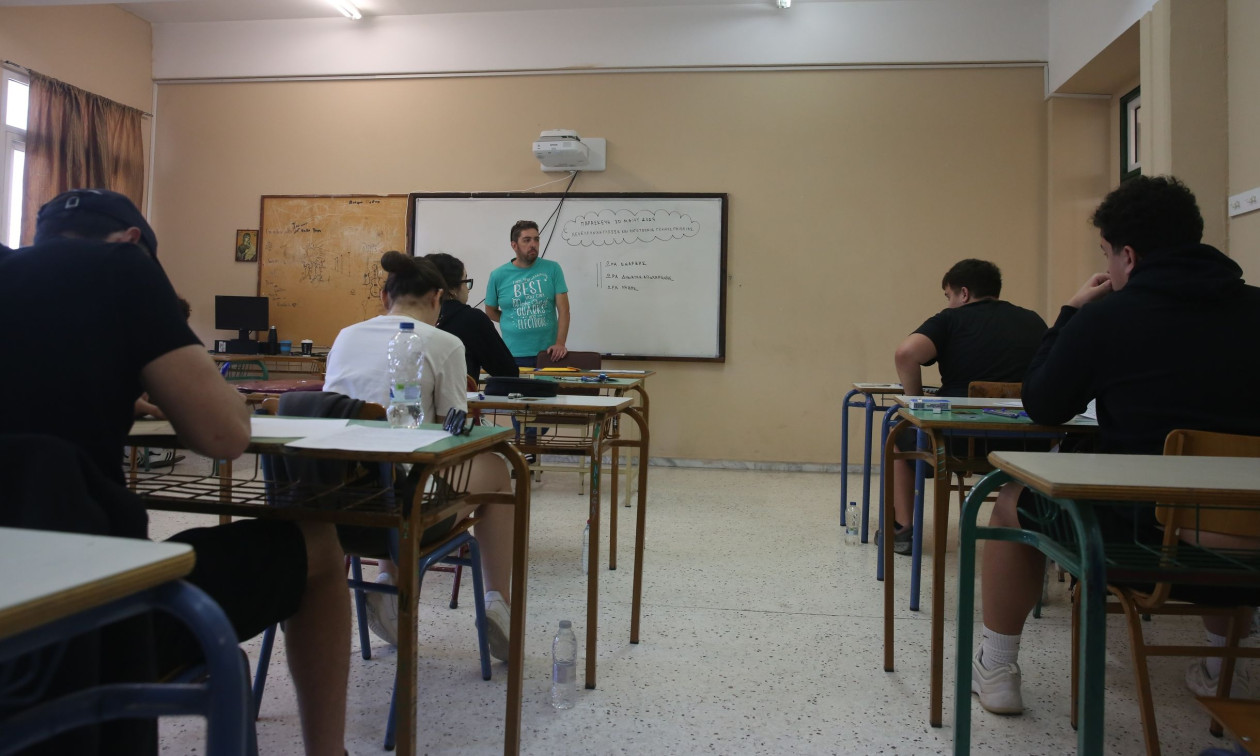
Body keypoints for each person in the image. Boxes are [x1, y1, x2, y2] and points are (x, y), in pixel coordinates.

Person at [0, 189, 349, 755]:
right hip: (82, 622)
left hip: (11, 605)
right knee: (319, 543)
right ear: (133, 240)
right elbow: (224, 437)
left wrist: (122, 394)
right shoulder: (123, 267)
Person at [971, 175, 1260, 715]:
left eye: (1106, 254)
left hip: (1145, 546)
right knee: (1218, 499)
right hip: (1253, 546)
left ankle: (998, 667)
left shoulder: (1106, 318)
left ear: (1127, 255)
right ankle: (1225, 666)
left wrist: (1071, 312)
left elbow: (1044, 403)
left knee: (1009, 500)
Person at [324, 251, 516, 661]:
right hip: (408, 513)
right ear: (437, 298)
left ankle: (387, 585)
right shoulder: (443, 343)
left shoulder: (345, 337)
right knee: (499, 470)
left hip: (334, 511)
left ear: (384, 297)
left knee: (387, 464)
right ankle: (498, 601)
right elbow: (451, 434)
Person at [885, 259, 1047, 554]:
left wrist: (916, 406)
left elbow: (905, 353)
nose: (948, 303)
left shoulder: (951, 320)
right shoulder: (1033, 321)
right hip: (1027, 443)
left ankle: (902, 529)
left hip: (959, 440)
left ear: (963, 293)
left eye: (948, 296)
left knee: (897, 436)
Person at [485, 220, 570, 367]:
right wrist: (513, 320)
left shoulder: (553, 269)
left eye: (536, 239)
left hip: (548, 353)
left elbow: (564, 311)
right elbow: (490, 311)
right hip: (512, 354)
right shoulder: (498, 275)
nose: (533, 244)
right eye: (527, 240)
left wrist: (560, 343)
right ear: (514, 245)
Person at [425, 252, 519, 378]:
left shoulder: (414, 319)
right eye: (465, 281)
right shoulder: (471, 319)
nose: (467, 289)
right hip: (459, 391)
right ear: (452, 289)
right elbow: (508, 372)